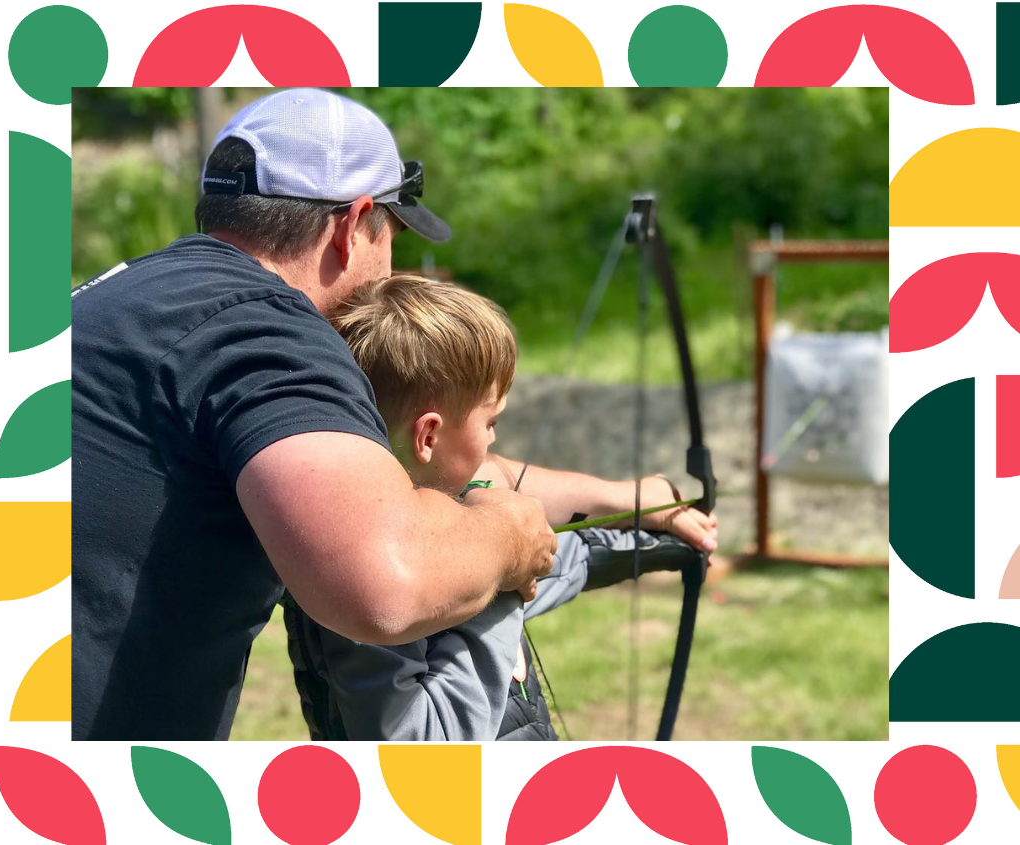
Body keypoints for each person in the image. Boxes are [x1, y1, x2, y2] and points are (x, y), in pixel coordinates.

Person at [70, 88, 709, 741]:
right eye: (393, 237)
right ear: (354, 225)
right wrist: (509, 544)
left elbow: (460, 471)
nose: (390, 270)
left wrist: (630, 502)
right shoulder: (268, 334)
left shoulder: (124, 297)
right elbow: (388, 587)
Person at [283, 275, 718, 740]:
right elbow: (418, 746)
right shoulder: (372, 570)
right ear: (428, 436)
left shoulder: (443, 506)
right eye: (489, 421)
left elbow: (542, 558)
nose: (493, 438)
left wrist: (651, 537)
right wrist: (504, 571)